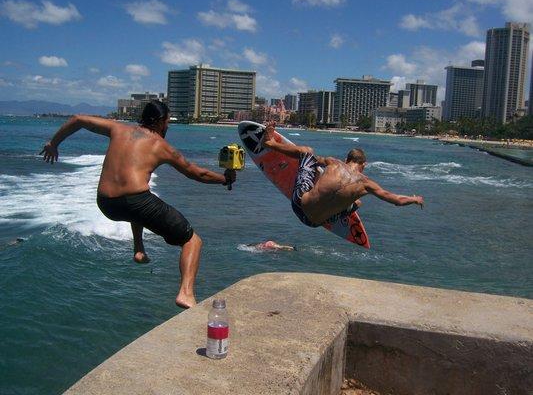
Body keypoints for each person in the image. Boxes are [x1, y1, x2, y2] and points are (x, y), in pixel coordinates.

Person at [40, 101, 236, 308]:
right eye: (167, 122)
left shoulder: (118, 128)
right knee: (193, 241)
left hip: (107, 203)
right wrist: (225, 180)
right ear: (160, 121)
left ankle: (139, 249)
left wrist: (53, 144)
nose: (167, 126)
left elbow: (77, 119)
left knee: (141, 200)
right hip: (135, 201)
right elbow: (197, 173)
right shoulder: (160, 145)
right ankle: (185, 293)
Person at [262, 121, 424, 228]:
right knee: (357, 203)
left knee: (307, 152)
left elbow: (312, 160)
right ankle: (328, 209)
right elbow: (396, 200)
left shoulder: (334, 163)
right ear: (364, 165)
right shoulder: (367, 184)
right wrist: (415, 199)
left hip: (299, 204)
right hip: (313, 222)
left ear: (347, 159)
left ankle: (270, 143)